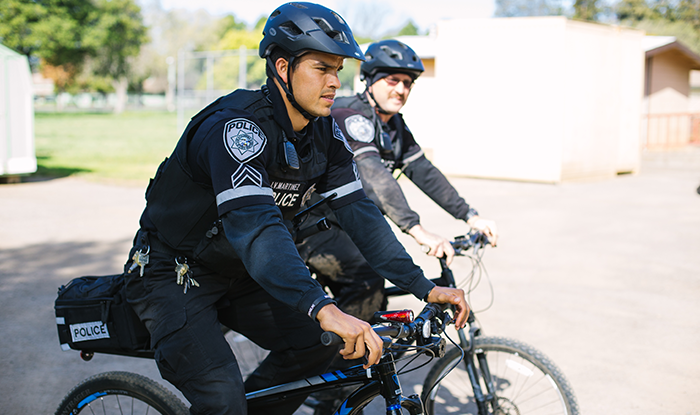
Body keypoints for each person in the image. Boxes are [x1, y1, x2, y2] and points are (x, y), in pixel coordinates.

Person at [122, 4, 469, 415]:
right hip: (172, 274)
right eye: (321, 68)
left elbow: (361, 215)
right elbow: (257, 230)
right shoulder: (237, 129)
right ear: (282, 67)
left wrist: (423, 285)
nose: (334, 82)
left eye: (337, 70)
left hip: (237, 273)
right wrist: (323, 307)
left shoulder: (323, 133)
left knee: (315, 346)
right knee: (221, 398)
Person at [299, 38, 499, 345]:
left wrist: (470, 216)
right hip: (314, 227)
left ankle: (359, 361)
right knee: (366, 281)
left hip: (350, 227)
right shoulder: (349, 116)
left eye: (408, 83)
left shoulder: (394, 126)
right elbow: (374, 175)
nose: (401, 90)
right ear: (370, 79)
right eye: (392, 80)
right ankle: (325, 376)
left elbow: (424, 173)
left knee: (376, 295)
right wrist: (417, 230)